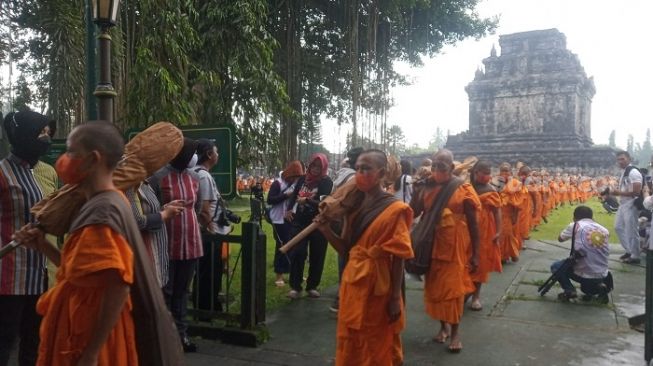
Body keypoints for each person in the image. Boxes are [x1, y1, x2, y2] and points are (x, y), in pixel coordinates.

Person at [14, 122, 184, 365]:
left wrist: (92, 351)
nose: (65, 158)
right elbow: (80, 273)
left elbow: (117, 287)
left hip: (92, 339)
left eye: (72, 152)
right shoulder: (99, 204)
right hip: (79, 330)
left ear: (93, 159)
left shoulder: (104, 210)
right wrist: (42, 245)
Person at [315, 149, 414, 366]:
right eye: (358, 168)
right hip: (353, 283)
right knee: (351, 340)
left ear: (381, 173)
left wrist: (396, 297)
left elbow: (398, 257)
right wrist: (326, 230)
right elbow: (346, 250)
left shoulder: (395, 209)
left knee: (377, 343)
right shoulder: (353, 207)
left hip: (380, 288)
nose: (361, 173)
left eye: (366, 169)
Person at [0, 111, 55, 366]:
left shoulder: (35, 173)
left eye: (48, 133)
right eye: (41, 133)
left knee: (34, 341)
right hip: (8, 277)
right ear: (23, 136)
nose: (47, 139)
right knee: (5, 340)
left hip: (36, 273)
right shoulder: (2, 173)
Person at [411, 149, 480, 353]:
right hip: (431, 245)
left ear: (451, 167)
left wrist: (476, 253)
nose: (436, 169)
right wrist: (417, 191)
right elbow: (414, 212)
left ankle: (456, 333)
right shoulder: (427, 187)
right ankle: (443, 327)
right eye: (433, 165)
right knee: (436, 291)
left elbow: (474, 225)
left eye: (441, 166)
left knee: (453, 292)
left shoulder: (462, 188)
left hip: (454, 248)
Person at [149, 137, 203, 352]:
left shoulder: (194, 178)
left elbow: (196, 207)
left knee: (182, 292)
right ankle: (165, 337)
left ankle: (182, 336)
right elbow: (153, 207)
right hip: (167, 243)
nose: (189, 157)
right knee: (167, 291)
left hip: (191, 242)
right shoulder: (158, 177)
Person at [286, 153, 333, 299]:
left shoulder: (326, 182)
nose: (315, 169)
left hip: (318, 223)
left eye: (319, 167)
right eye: (313, 166)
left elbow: (323, 203)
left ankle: (312, 286)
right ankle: (295, 287)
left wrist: (306, 201)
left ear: (324, 168)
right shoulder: (302, 179)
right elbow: (294, 195)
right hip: (299, 221)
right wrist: (288, 209)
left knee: (317, 254)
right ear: (310, 165)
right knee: (297, 252)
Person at [193, 138, 229, 314]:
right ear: (209, 154)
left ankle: (206, 306)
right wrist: (212, 230)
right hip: (208, 233)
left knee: (206, 271)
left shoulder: (195, 173)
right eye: (216, 152)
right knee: (209, 273)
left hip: (203, 231)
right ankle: (207, 309)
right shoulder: (204, 176)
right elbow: (204, 209)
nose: (218, 155)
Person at [550, 206, 612, 303]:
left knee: (556, 266)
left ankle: (569, 290)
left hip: (583, 273)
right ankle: (599, 285)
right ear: (592, 217)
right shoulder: (604, 230)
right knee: (586, 289)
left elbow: (560, 239)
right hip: (603, 274)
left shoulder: (575, 225)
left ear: (575, 217)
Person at [330, 147, 363, 312]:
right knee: (347, 260)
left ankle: (343, 296)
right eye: (361, 168)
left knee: (345, 261)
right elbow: (336, 201)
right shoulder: (354, 180)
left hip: (347, 223)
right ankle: (343, 296)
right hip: (349, 224)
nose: (363, 172)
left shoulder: (342, 175)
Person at [468, 160, 502, 311]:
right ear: (476, 173)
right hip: (465, 228)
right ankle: (464, 289)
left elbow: (497, 211)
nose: (487, 177)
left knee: (480, 263)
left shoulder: (491, 190)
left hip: (484, 230)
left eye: (489, 174)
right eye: (484, 173)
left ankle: (476, 296)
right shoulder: (467, 187)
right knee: (463, 260)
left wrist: (499, 231)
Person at [267, 161, 304, 287]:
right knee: (282, 246)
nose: (295, 180)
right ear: (290, 174)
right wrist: (285, 195)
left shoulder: (293, 184)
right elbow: (270, 200)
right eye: (295, 177)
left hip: (289, 218)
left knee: (292, 245)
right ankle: (279, 275)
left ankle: (290, 272)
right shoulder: (278, 183)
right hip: (278, 219)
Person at [611, 151, 643, 264]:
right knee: (618, 227)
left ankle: (635, 256)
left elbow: (636, 192)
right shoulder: (625, 171)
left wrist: (618, 192)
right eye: (618, 159)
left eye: (622, 159)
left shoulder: (633, 172)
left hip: (631, 203)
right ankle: (629, 250)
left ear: (629, 159)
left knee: (631, 230)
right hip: (623, 203)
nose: (620, 161)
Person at [496, 163, 523, 263]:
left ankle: (511, 254)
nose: (504, 173)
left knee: (507, 234)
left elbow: (517, 201)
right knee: (500, 235)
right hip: (498, 213)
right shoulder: (497, 183)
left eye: (506, 171)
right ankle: (504, 255)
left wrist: (515, 215)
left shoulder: (515, 183)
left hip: (509, 213)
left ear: (510, 172)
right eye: (502, 171)